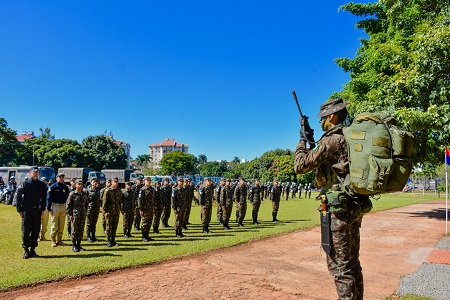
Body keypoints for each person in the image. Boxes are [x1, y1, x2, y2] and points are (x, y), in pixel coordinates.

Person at [294, 98, 369, 299]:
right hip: (352, 207)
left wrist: (302, 140)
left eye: (323, 118)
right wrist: (311, 139)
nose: (321, 123)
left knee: (340, 268)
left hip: (338, 211)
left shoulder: (332, 140)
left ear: (332, 116)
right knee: (352, 264)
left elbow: (300, 165)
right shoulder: (347, 137)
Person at [15, 166, 47, 259]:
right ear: (30, 172)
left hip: (37, 210)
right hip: (27, 210)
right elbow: (19, 196)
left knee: (36, 230)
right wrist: (19, 209)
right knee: (26, 230)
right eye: (34, 172)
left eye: (37, 172)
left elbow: (44, 197)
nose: (36, 173)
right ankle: (26, 250)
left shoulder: (41, 184)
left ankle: (33, 250)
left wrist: (42, 209)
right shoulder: (25, 183)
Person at [47, 173, 70, 247]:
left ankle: (59, 240)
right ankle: (53, 240)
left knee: (61, 224)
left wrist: (67, 208)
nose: (61, 178)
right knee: (54, 224)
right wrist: (49, 208)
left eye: (62, 177)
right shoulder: (53, 187)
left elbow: (67, 198)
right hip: (55, 206)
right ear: (56, 178)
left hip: (63, 207)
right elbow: (49, 198)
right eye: (59, 177)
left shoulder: (65, 187)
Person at [66, 179, 88, 252]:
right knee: (74, 230)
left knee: (81, 230)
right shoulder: (72, 194)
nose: (80, 185)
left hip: (82, 215)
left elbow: (86, 204)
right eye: (79, 184)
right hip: (75, 215)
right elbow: (68, 205)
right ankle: (74, 245)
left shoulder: (84, 194)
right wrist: (69, 214)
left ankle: (79, 245)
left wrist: (86, 212)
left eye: (81, 184)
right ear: (75, 185)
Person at [102, 177, 122, 247]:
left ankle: (113, 240)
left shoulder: (119, 191)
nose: (116, 183)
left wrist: (120, 210)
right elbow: (104, 202)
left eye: (117, 182)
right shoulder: (108, 190)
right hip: (109, 211)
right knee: (108, 227)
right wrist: (105, 212)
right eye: (114, 182)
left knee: (114, 226)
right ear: (111, 182)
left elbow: (120, 202)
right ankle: (109, 241)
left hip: (116, 211)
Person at [138, 176, 154, 242]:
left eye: (149, 181)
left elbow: (153, 199)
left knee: (149, 222)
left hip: (151, 208)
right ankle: (144, 236)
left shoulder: (152, 189)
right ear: (144, 181)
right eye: (147, 181)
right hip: (144, 209)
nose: (148, 182)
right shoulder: (142, 190)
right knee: (144, 223)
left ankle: (147, 235)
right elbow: (140, 200)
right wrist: (140, 209)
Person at [86, 177, 101, 242]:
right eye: (94, 182)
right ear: (91, 182)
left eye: (96, 182)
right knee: (89, 223)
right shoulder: (87, 191)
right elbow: (86, 200)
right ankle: (88, 236)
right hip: (89, 209)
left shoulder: (98, 190)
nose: (95, 183)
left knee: (94, 223)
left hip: (96, 208)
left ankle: (93, 236)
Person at [38, 177, 49, 241]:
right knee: (38, 223)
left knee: (45, 223)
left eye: (45, 180)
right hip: (39, 207)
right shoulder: (37, 189)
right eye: (43, 180)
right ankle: (38, 236)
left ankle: (43, 235)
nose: (44, 182)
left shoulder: (48, 188)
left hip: (46, 207)